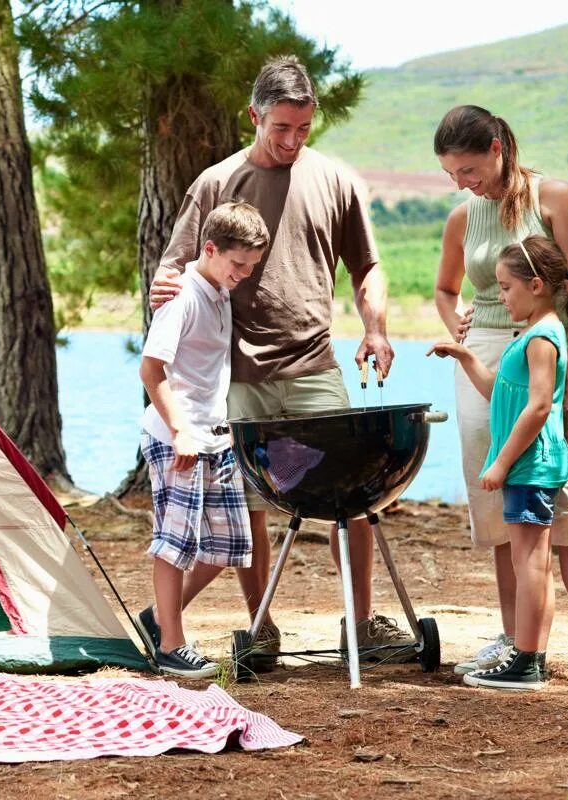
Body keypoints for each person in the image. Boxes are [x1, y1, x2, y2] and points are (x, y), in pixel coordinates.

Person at [149, 55, 418, 662]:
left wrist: (375, 328)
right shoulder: (216, 183)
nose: (294, 141)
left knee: (351, 499)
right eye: (281, 129)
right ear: (254, 116)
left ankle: (361, 623)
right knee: (251, 512)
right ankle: (260, 628)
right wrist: (164, 289)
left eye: (304, 128)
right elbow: (175, 266)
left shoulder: (337, 180)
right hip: (237, 375)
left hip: (317, 365)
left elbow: (367, 265)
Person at [433, 104, 568, 686]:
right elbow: (446, 290)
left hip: (551, 350)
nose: (463, 183)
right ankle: (515, 639)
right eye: (453, 174)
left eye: (470, 169)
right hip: (487, 359)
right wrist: (458, 328)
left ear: (499, 147)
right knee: (505, 504)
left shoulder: (554, 198)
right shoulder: (462, 217)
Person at [429, 236, 568, 689]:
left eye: (505, 287)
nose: (500, 297)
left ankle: (526, 659)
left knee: (531, 565)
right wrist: (463, 354)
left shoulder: (542, 337)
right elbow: (498, 391)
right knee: (532, 563)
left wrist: (499, 462)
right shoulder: (532, 335)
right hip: (528, 466)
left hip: (530, 466)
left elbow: (539, 407)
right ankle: (530, 658)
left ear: (536, 285)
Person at [134, 201, 269, 679]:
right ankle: (171, 645)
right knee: (175, 543)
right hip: (179, 439)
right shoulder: (185, 296)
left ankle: (156, 618)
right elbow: (152, 370)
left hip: (215, 437)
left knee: (230, 545)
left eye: (250, 267)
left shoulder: (218, 290)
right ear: (209, 249)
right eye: (237, 265)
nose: (243, 275)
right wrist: (180, 431)